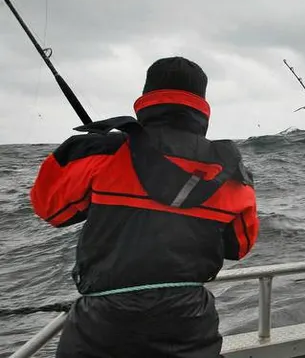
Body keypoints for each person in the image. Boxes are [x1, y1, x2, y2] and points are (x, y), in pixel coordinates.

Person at [29, 56, 260, 358]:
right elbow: (239, 246)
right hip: (189, 323)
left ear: (147, 96)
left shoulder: (98, 150)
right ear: (202, 105)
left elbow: (49, 209)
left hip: (102, 325)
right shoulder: (231, 172)